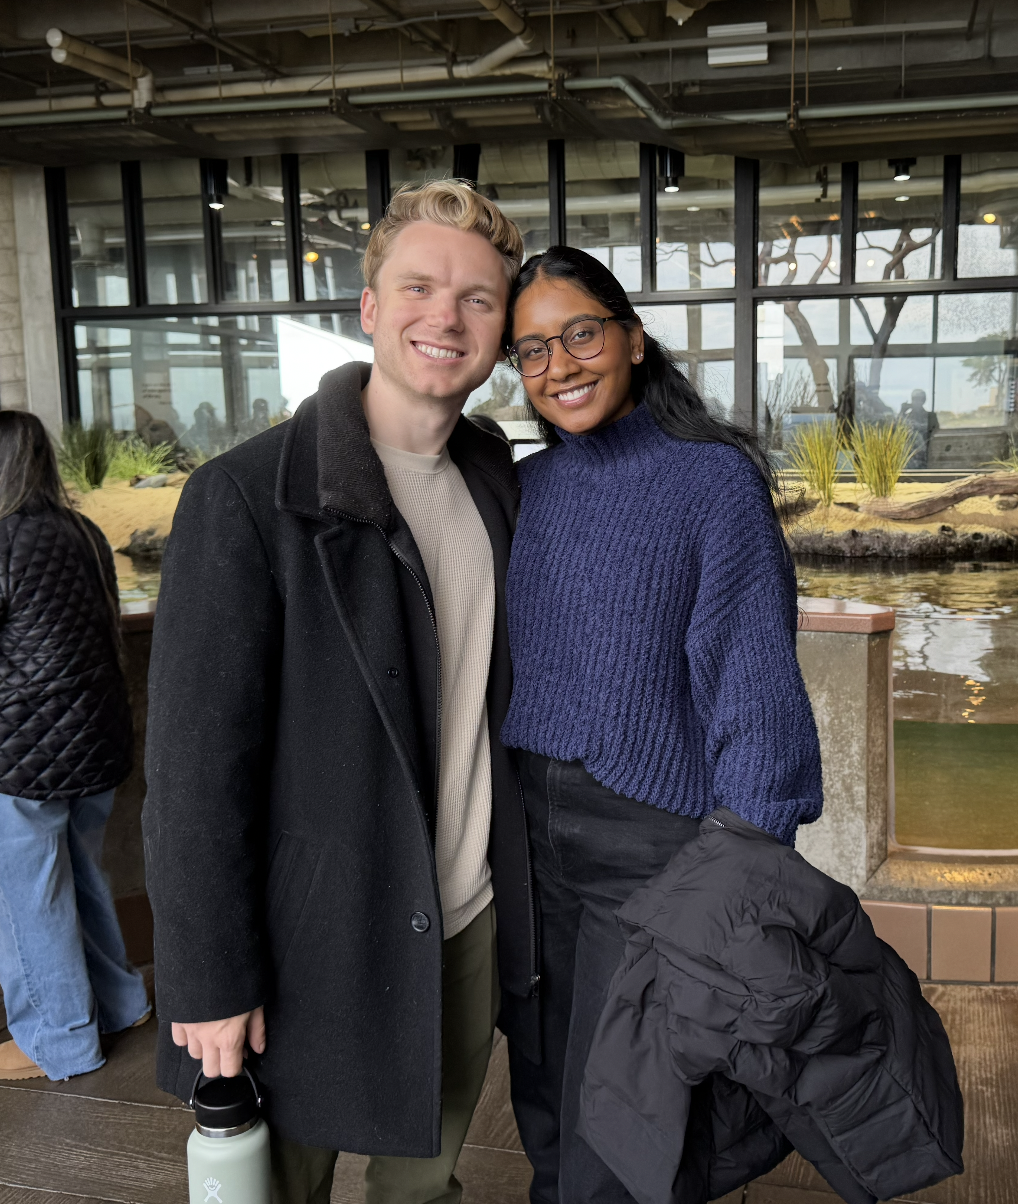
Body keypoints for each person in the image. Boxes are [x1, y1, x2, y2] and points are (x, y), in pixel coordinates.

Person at [142, 180, 538, 1204]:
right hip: (304, 945)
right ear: (368, 309)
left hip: (461, 926)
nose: (443, 316)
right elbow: (192, 772)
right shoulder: (247, 497)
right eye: (418, 286)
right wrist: (207, 979)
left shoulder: (495, 478)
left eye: (477, 298)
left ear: (499, 329)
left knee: (421, 1188)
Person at [499, 247, 823, 1204]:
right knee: (547, 1101)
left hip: (650, 849)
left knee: (628, 1129)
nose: (558, 365)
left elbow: (753, 682)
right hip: (530, 842)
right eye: (530, 351)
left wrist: (746, 865)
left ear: (633, 339)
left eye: (580, 335)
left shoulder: (710, 483)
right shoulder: (533, 486)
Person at [0, 411, 149, 1082]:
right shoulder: (84, 532)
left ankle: (59, 1040)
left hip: (19, 751)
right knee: (84, 876)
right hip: (96, 739)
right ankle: (120, 1003)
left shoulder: (1, 540)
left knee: (27, 897)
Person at [899, 388, 939, 467]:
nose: (917, 402)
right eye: (914, 399)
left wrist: (918, 426)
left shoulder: (931, 416)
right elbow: (896, 429)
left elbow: (934, 429)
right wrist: (902, 412)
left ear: (923, 400)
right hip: (909, 456)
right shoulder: (906, 417)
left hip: (926, 454)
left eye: (919, 399)